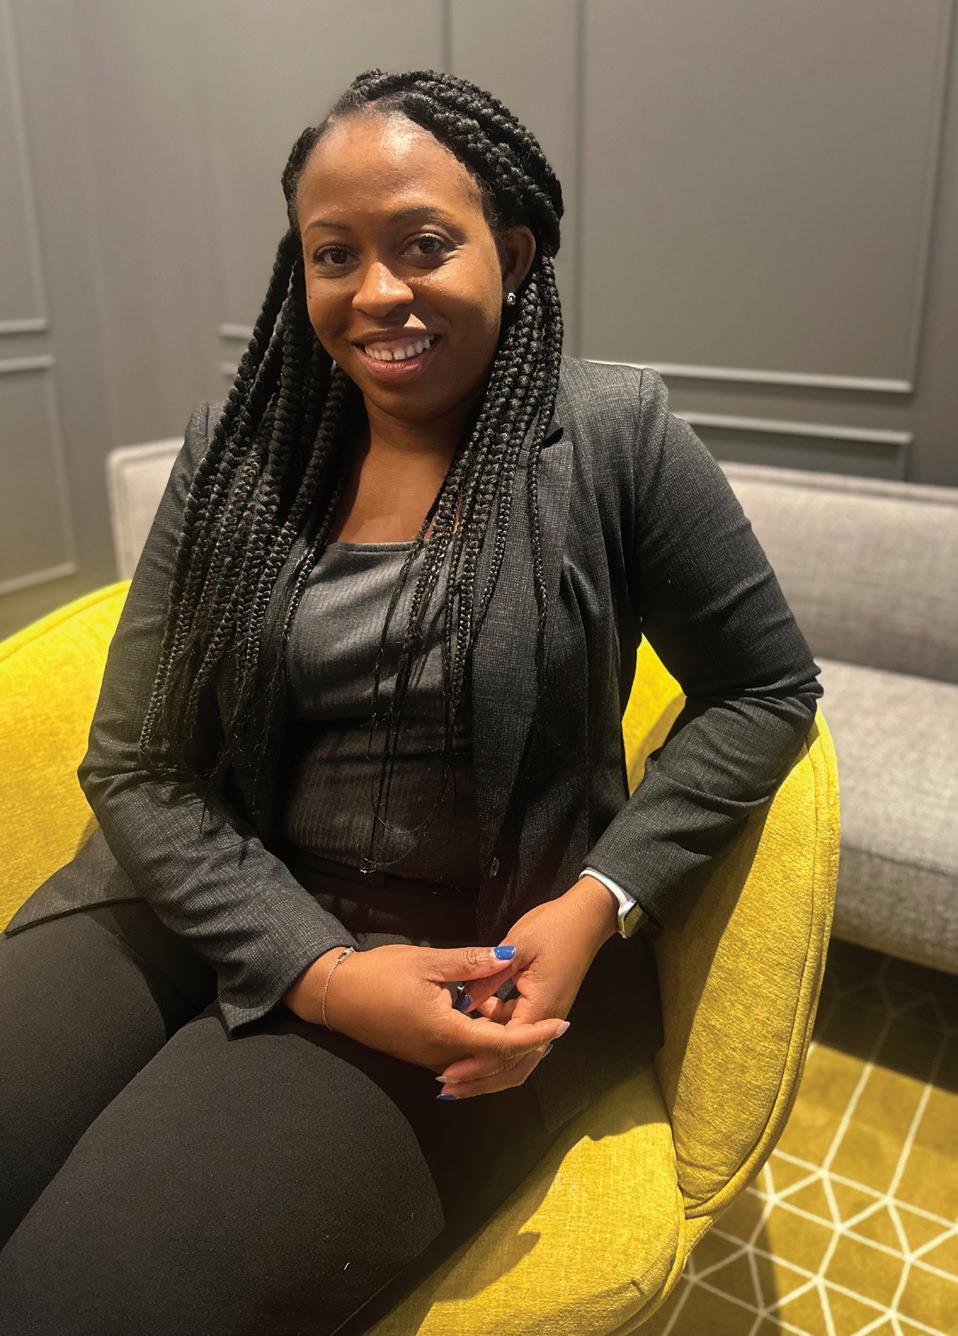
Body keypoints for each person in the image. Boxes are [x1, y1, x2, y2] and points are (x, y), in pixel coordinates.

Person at [0, 67, 823, 1335]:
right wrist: (317, 970)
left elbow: (762, 687)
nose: (377, 290)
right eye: (335, 254)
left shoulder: (617, 436)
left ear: (512, 250)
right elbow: (136, 764)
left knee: (74, 1297)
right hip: (186, 890)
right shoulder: (235, 449)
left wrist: (598, 900)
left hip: (451, 962)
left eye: (423, 243)